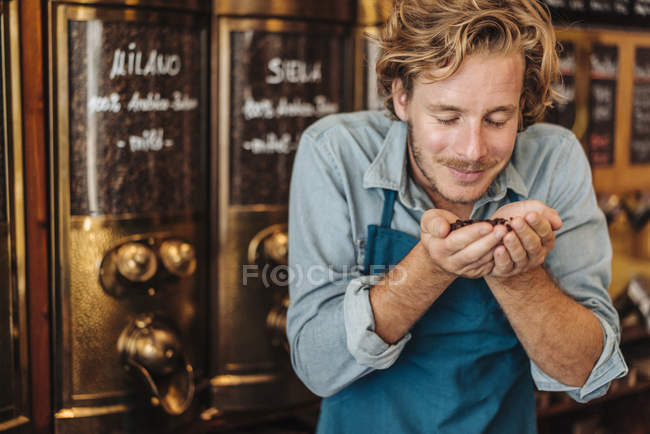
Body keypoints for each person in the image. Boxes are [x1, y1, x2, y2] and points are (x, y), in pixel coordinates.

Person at [286, 0, 628, 432]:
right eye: (447, 117)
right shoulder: (337, 154)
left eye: (497, 118)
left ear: (522, 105)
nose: (472, 150)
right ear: (402, 97)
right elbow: (317, 364)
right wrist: (429, 269)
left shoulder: (553, 160)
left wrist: (519, 278)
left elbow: (587, 375)